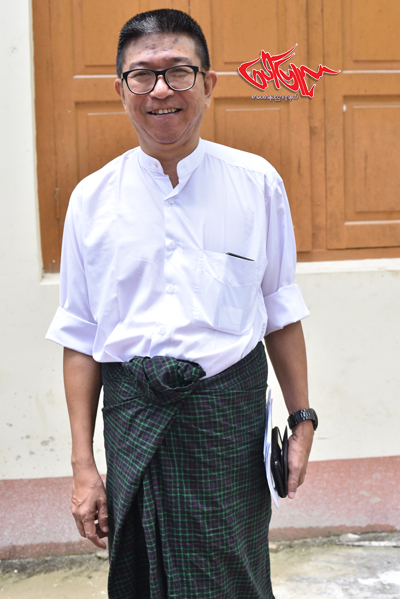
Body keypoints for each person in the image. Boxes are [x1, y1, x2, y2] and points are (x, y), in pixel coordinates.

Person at [46, 8, 317, 599]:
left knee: (233, 573)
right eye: (142, 74)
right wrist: (83, 466)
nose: (161, 90)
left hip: (227, 422)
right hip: (132, 419)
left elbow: (279, 309)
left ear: (209, 83)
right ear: (120, 89)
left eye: (179, 72)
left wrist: (302, 419)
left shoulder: (257, 183)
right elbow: (81, 336)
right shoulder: (91, 200)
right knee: (141, 574)